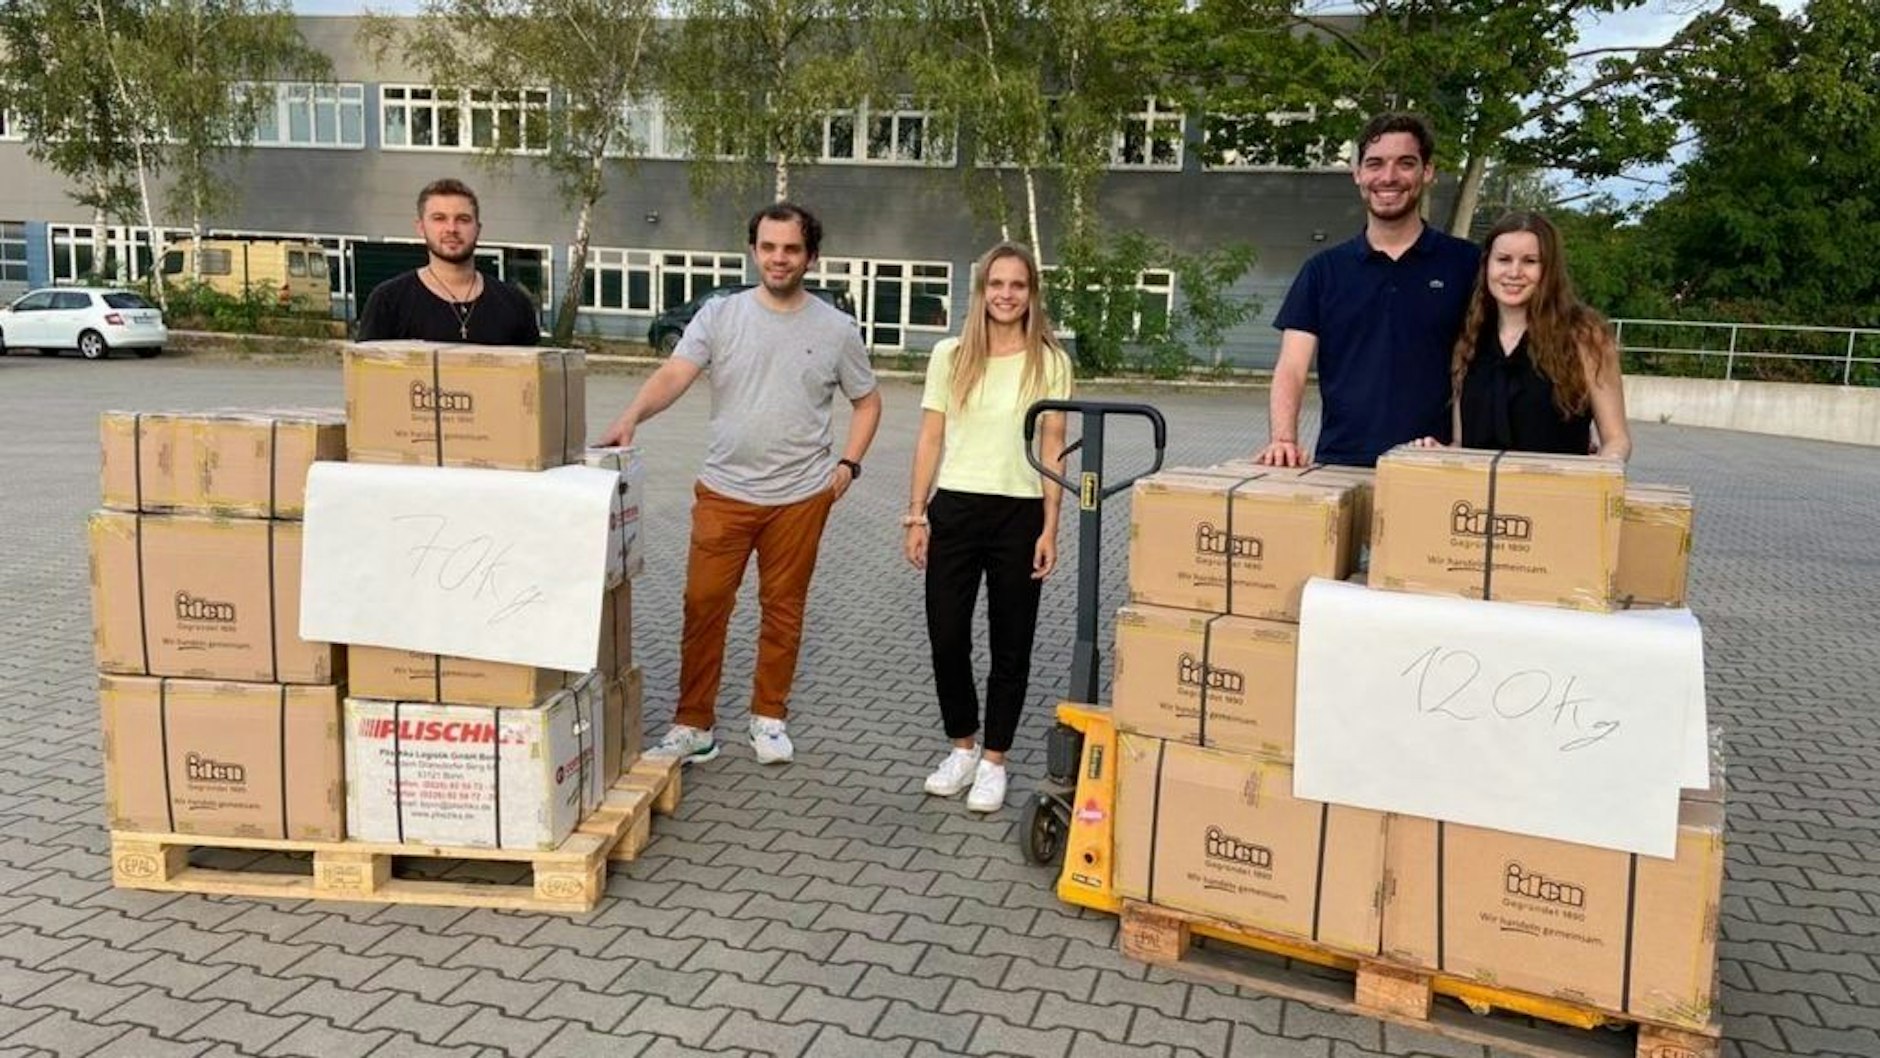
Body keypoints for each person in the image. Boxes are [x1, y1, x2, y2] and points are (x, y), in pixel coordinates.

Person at [598, 202, 882, 766]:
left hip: (801, 496)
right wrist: (632, 417)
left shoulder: (836, 329)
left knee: (783, 610)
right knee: (703, 605)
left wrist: (848, 465)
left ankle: (769, 717)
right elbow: (676, 372)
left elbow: (868, 401)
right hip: (724, 491)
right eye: (769, 247)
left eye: (792, 249)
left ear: (811, 257)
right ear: (753, 251)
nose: (779, 258)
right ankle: (693, 724)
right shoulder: (720, 315)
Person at [904, 242, 1071, 814]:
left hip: (1019, 513)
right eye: (996, 284)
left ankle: (995, 760)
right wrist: (916, 513)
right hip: (955, 509)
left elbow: (1053, 446)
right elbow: (930, 437)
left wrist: (1051, 526)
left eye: (1017, 285)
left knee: (1011, 643)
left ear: (1031, 293)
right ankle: (963, 747)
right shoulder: (950, 355)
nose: (1006, 294)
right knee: (947, 635)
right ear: (981, 291)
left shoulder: (1050, 361)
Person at [1255, 113, 1479, 468]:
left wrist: (1462, 445)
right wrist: (1283, 440)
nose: (1388, 177)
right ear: (1358, 174)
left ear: (1428, 172)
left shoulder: (1467, 264)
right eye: (1375, 164)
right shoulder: (1323, 271)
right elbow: (1292, 367)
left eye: (1405, 163)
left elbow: (1484, 364)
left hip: (1434, 465)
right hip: (1339, 464)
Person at [1417, 211, 1631, 460]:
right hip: (1481, 486)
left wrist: (1602, 469)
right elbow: (1462, 444)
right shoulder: (1468, 340)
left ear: (1549, 268)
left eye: (1530, 261)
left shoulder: (1586, 336)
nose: (1514, 272)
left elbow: (1616, 439)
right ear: (1487, 265)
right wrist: (1439, 453)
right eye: (1504, 259)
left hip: (1556, 483)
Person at [355, 178, 540, 345]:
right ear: (421, 227)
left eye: (463, 219)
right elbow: (366, 370)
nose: (451, 228)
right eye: (439, 218)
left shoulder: (515, 304)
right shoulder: (388, 301)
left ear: (478, 228)